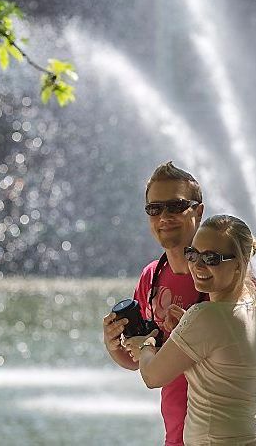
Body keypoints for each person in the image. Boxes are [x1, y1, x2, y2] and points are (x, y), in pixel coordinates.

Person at [123, 214, 256, 446]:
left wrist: (146, 345)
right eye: (192, 253)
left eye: (211, 258)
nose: (197, 265)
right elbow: (223, 350)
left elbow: (152, 376)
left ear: (239, 263)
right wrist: (186, 326)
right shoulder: (255, 301)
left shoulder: (206, 316)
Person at [100, 161, 206, 446]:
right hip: (178, 436)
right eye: (154, 209)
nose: (164, 216)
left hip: (231, 434)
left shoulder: (223, 272)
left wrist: (192, 331)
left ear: (198, 210)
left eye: (176, 206)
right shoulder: (152, 275)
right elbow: (141, 360)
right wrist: (114, 346)